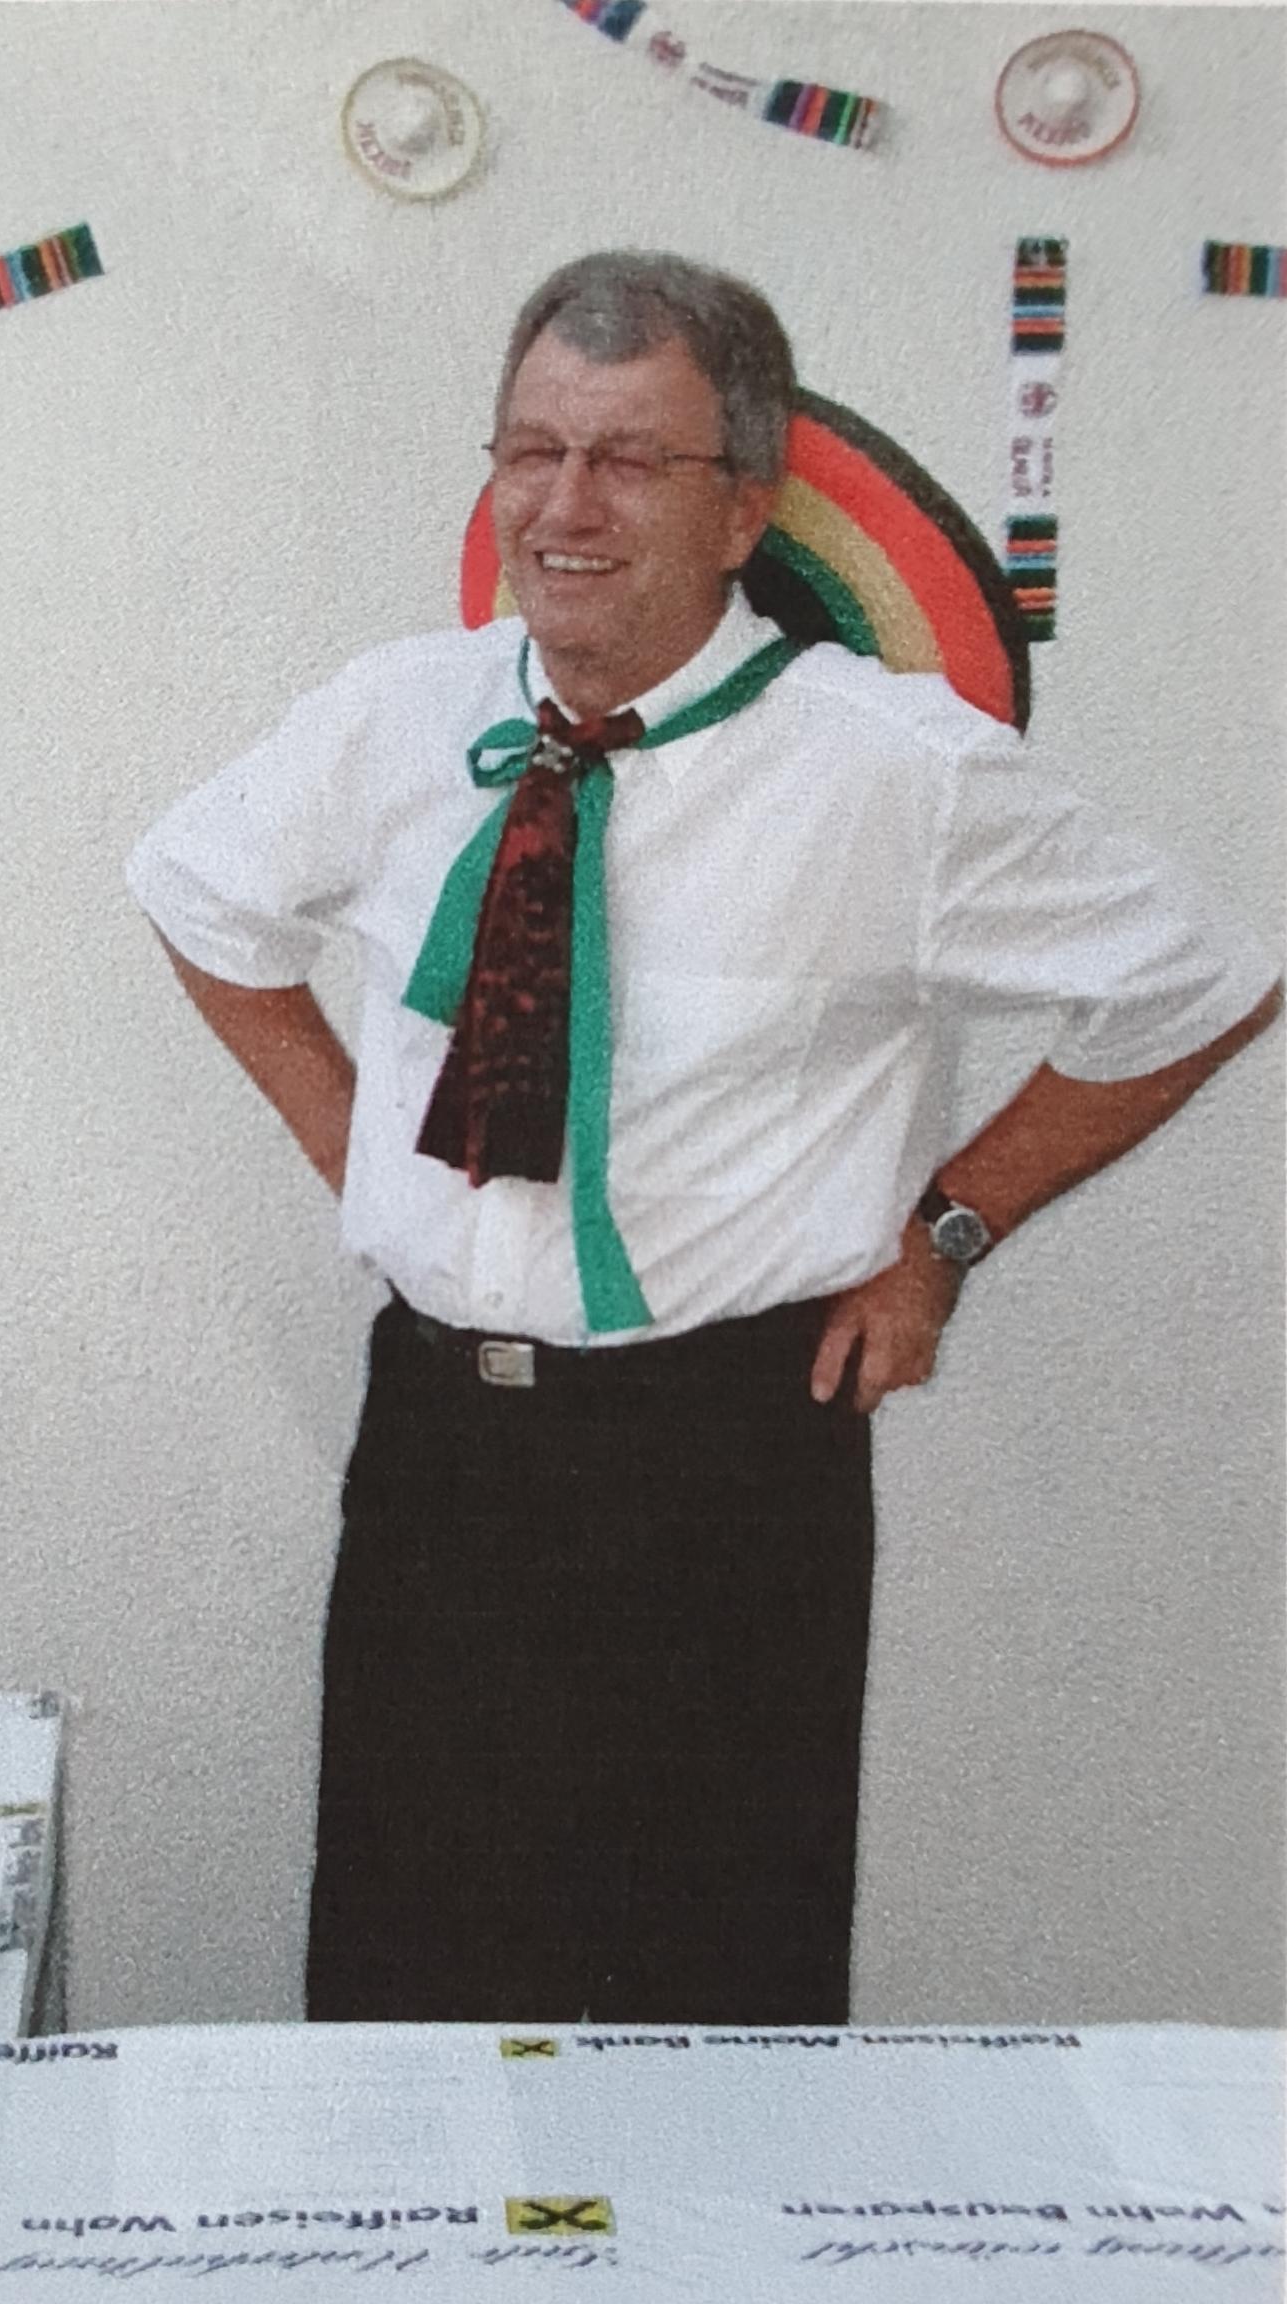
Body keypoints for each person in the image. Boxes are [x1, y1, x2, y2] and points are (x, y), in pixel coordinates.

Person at [126, 250, 1279, 2027]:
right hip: (439, 1451)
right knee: (404, 1991)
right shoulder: (397, 717)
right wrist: (350, 1137)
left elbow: (1197, 978)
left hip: (725, 1466)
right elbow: (199, 895)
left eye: (628, 460)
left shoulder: (892, 770)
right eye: (532, 451)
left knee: (712, 2010)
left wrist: (950, 1232)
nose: (563, 506)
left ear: (744, 509)